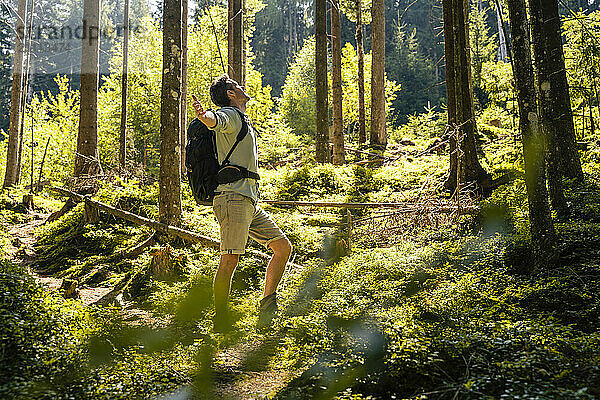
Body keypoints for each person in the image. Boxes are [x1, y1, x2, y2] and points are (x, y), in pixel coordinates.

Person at [191, 75, 292, 332]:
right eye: (237, 86)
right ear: (231, 95)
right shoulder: (230, 115)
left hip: (247, 200)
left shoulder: (242, 118)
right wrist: (205, 116)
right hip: (232, 198)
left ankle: (267, 307)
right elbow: (216, 120)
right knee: (229, 261)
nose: (242, 88)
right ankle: (220, 319)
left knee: (282, 248)